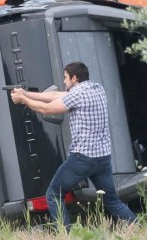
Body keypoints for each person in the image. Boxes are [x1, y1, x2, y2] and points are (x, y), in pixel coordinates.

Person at [10, 62, 137, 231]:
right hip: (102, 158)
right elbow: (55, 95)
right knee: (112, 201)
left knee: (54, 194)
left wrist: (23, 100)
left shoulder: (77, 95)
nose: (64, 81)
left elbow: (47, 109)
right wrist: (26, 93)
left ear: (74, 78)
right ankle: (139, 228)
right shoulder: (97, 88)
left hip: (82, 158)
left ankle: (66, 235)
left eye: (65, 78)